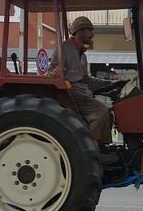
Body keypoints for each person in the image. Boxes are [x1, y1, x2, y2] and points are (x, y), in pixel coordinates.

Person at [49, 16, 117, 144]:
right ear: (80, 31)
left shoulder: (82, 55)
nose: (92, 35)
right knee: (101, 112)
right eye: (90, 31)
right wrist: (55, 74)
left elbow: (86, 80)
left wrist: (110, 84)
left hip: (81, 91)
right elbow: (51, 73)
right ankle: (91, 146)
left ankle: (104, 146)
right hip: (71, 92)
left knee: (109, 114)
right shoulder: (64, 48)